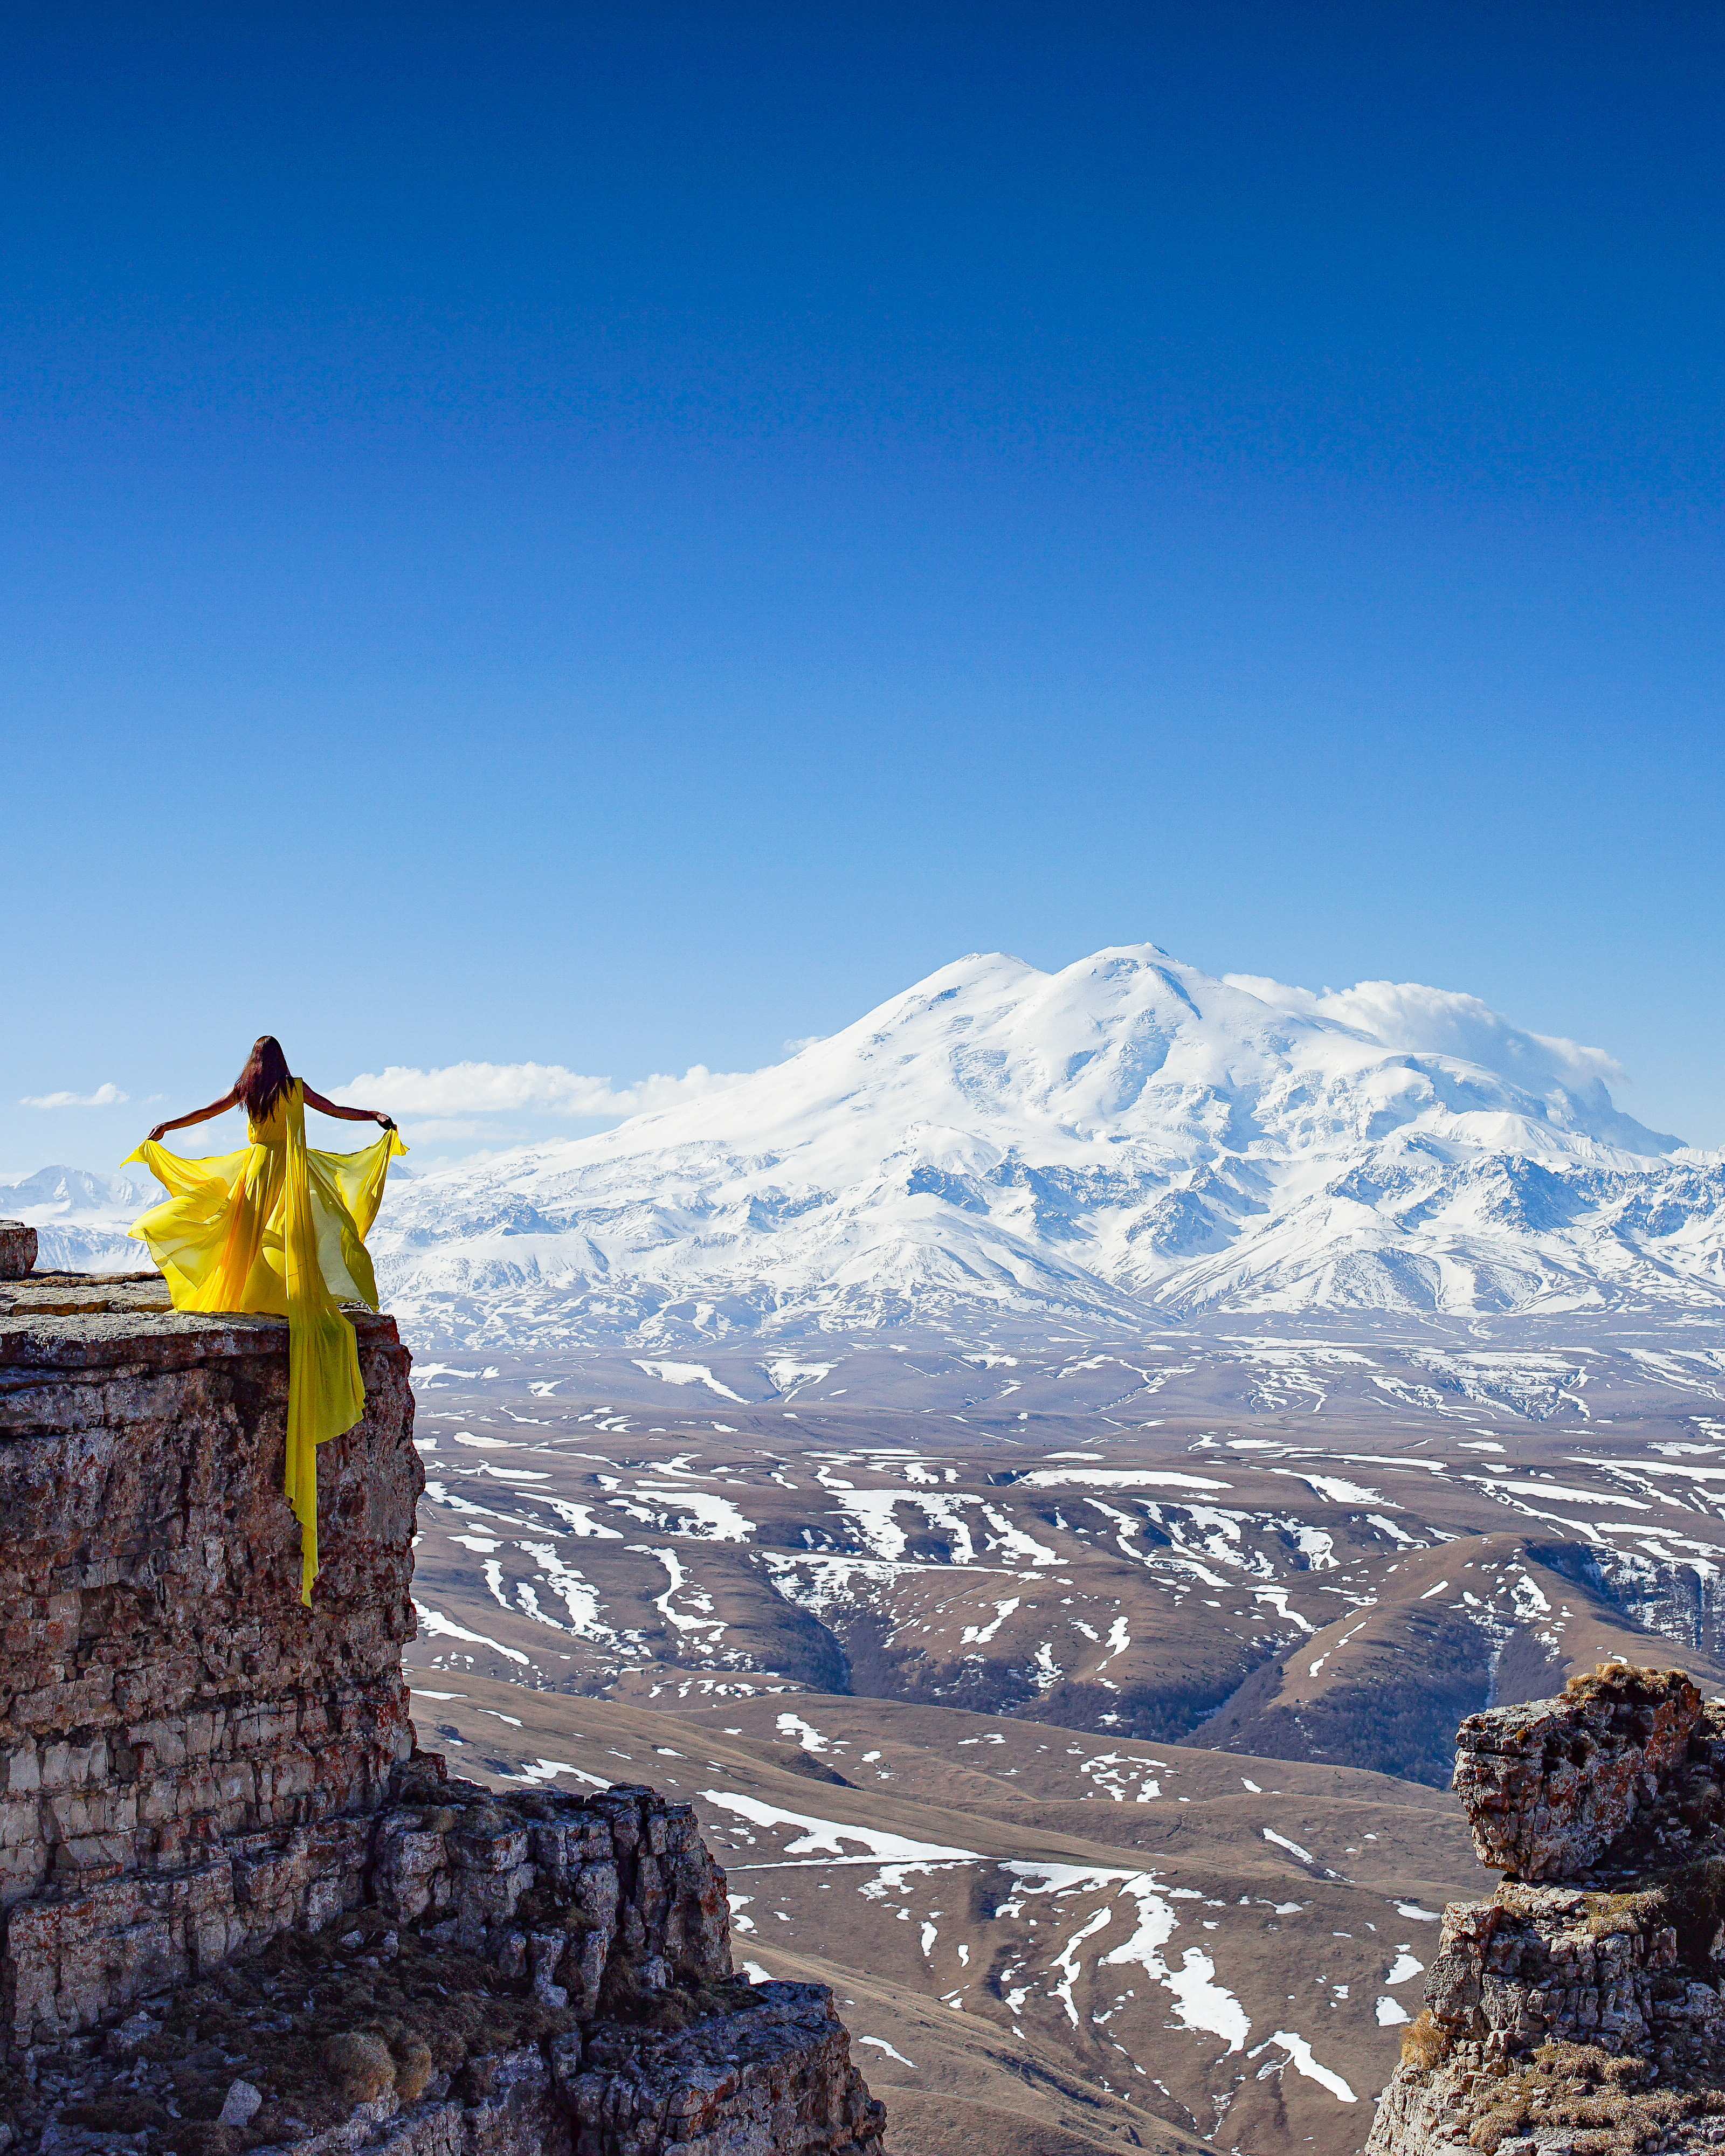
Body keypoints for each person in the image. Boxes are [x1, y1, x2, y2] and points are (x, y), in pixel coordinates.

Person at [125, 1036, 406, 1605]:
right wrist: (374, 1116)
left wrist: (167, 1127)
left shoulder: (246, 1091)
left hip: (257, 1174)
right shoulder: (293, 1089)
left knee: (244, 1241)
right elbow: (335, 1110)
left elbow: (206, 1112)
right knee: (293, 1241)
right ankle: (277, 1292)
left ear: (253, 1064)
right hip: (288, 1175)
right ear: (281, 1062)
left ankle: (243, 1292)